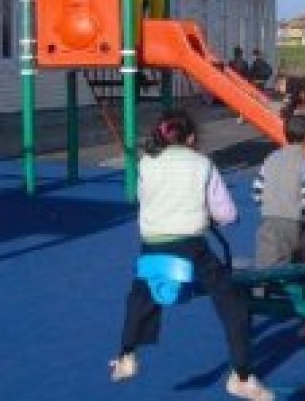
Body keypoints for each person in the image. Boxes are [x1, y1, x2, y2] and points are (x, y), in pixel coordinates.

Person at [110, 111, 272, 401]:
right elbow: (226, 213)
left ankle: (126, 355)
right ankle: (241, 376)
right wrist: (214, 217)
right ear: (192, 138)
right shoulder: (202, 164)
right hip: (191, 248)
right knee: (231, 303)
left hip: (152, 245)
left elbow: (145, 199)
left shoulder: (146, 163)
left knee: (140, 295)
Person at [252, 115, 305, 268]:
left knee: (267, 264)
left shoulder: (271, 158)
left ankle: (265, 282)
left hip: (269, 219)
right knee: (299, 263)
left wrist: (268, 207)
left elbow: (257, 191)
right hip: (294, 221)